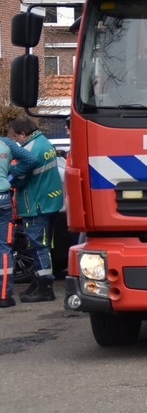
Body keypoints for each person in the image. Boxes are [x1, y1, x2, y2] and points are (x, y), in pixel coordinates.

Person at [7, 116, 63, 303]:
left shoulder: (30, 150)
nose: (16, 142)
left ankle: (45, 286)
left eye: (16, 137)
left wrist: (10, 176)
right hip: (50, 201)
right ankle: (39, 281)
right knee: (44, 245)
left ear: (23, 134)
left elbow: (20, 179)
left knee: (38, 246)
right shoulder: (44, 143)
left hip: (36, 204)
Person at [0, 133, 40, 308]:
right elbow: (31, 159)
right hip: (2, 198)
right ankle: (4, 296)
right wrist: (10, 175)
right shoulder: (6, 143)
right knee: (3, 248)